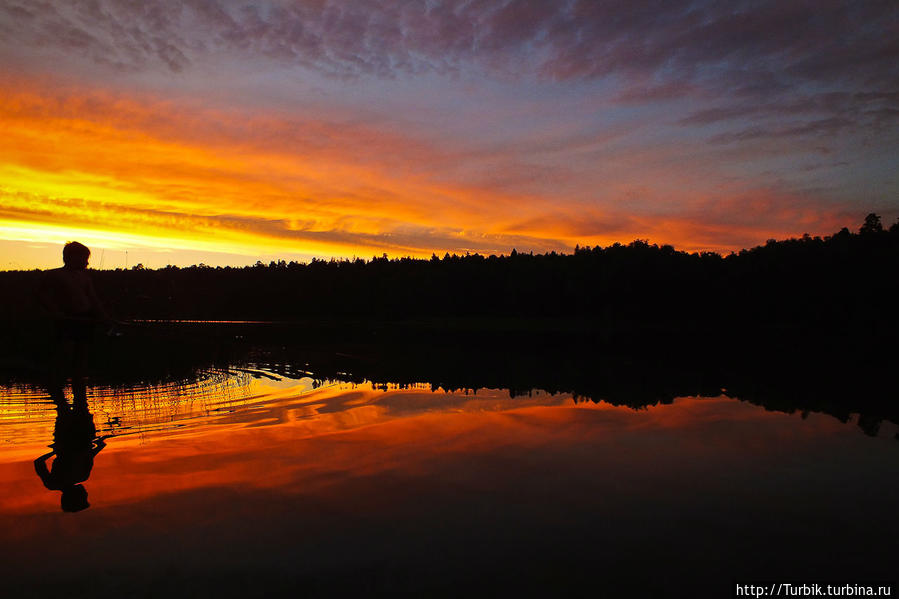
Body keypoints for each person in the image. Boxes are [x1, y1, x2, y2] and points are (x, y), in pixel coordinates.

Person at [37, 241, 113, 379]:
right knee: (66, 351)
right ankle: (56, 380)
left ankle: (79, 383)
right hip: (67, 319)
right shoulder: (55, 275)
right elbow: (43, 296)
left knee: (82, 353)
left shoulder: (85, 277)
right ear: (71, 257)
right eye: (84, 259)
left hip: (85, 318)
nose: (87, 263)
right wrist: (54, 312)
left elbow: (93, 299)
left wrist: (104, 317)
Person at [34, 379, 106, 512]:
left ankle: (55, 374)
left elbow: (86, 454)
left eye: (84, 497)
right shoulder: (54, 483)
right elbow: (38, 462)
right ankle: (52, 375)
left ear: (76, 497)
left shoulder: (77, 477)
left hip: (78, 436)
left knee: (77, 400)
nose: (86, 493)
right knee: (63, 403)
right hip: (68, 438)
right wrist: (55, 451)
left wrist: (55, 451)